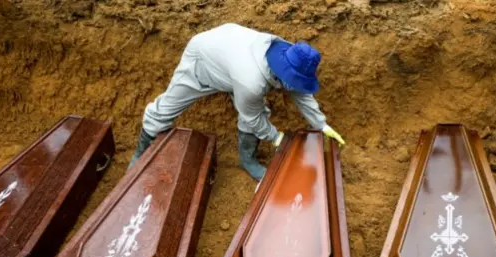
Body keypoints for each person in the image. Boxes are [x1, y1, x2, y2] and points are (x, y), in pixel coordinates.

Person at [129, 23, 346, 181]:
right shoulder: (251, 81)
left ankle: (247, 160)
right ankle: (140, 154)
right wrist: (276, 137)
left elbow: (299, 90)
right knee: (166, 108)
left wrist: (321, 124)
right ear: (284, 74)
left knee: (252, 106)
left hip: (231, 52)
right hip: (203, 58)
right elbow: (252, 116)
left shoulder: (288, 53)